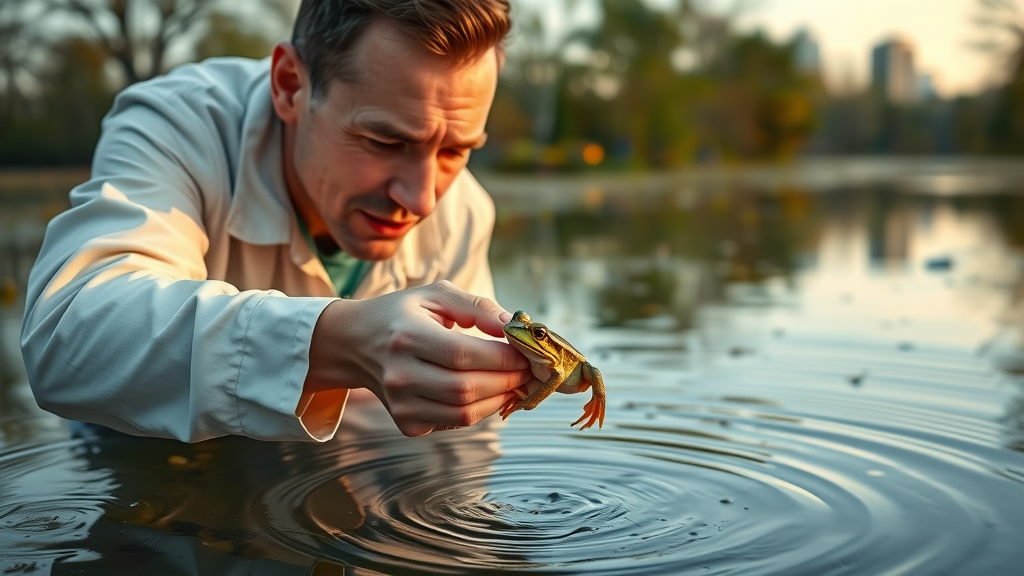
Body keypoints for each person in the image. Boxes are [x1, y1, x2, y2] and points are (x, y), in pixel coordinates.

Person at [20, 0, 535, 443]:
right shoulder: (175, 127)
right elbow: (66, 338)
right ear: (290, 85)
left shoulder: (463, 209)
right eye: (385, 142)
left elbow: (458, 444)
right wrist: (331, 340)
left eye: (456, 150)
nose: (423, 200)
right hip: (131, 450)